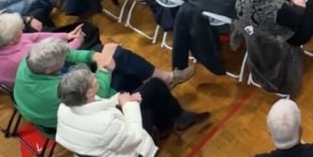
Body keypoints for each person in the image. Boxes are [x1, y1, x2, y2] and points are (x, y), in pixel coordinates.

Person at [56, 64, 208, 157]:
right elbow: (135, 137)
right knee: (150, 99)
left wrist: (120, 100)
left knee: (149, 91)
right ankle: (174, 121)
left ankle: (168, 125)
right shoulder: (105, 123)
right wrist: (129, 105)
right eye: (93, 79)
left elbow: (98, 107)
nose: (95, 77)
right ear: (88, 92)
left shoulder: (65, 107)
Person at [13, 36, 193, 130]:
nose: (65, 59)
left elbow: (68, 55)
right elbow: (98, 96)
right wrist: (105, 68)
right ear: (49, 70)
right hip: (84, 114)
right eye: (61, 61)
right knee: (143, 82)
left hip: (70, 110)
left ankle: (161, 106)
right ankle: (167, 111)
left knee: (108, 53)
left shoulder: (31, 60)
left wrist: (95, 56)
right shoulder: (57, 91)